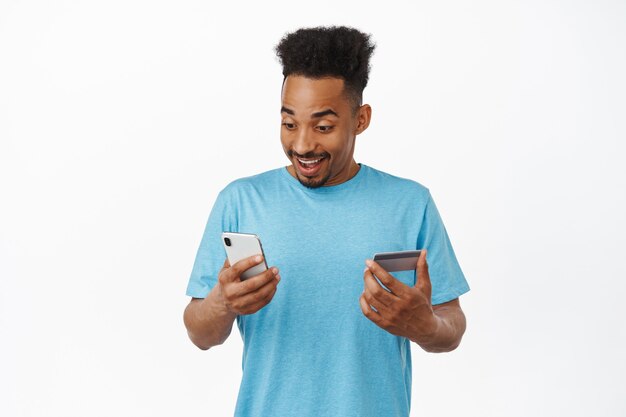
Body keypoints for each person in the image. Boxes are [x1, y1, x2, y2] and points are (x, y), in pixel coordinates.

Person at [183, 26, 470, 417]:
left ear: (361, 119)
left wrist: (426, 327)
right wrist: (222, 303)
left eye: (323, 127)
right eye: (289, 124)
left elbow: (450, 325)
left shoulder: (410, 203)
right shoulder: (240, 201)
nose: (302, 145)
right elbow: (200, 334)